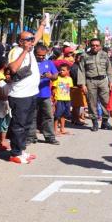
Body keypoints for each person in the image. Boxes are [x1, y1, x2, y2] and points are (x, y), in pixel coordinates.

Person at [7, 22, 45, 164]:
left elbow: (38, 34)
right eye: (28, 39)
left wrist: (42, 24)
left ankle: (22, 150)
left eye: (31, 39)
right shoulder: (15, 51)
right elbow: (14, 68)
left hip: (31, 93)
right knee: (19, 124)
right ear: (20, 41)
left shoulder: (30, 47)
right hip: (19, 96)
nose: (31, 41)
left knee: (27, 123)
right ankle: (15, 153)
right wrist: (24, 51)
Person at [78, 38, 112, 132]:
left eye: (97, 45)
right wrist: (82, 84)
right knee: (91, 102)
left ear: (100, 46)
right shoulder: (85, 56)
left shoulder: (104, 55)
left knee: (106, 102)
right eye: (93, 45)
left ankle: (105, 122)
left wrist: (111, 81)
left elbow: (109, 69)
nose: (95, 47)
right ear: (90, 45)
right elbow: (81, 71)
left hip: (103, 81)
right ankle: (94, 122)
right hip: (90, 81)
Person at [30, 45, 59, 145]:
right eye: (39, 55)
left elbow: (56, 75)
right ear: (35, 53)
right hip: (32, 94)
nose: (41, 57)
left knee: (48, 116)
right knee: (32, 116)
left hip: (45, 95)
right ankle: (31, 137)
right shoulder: (31, 62)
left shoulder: (49, 62)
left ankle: (49, 137)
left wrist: (51, 76)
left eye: (43, 55)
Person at [53, 64, 73, 135]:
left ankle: (62, 128)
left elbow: (69, 89)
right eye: (60, 70)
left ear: (68, 71)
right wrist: (54, 99)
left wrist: (70, 100)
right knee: (57, 114)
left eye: (63, 70)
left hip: (67, 99)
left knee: (64, 114)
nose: (61, 71)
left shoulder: (69, 79)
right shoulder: (57, 78)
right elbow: (54, 89)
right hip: (59, 99)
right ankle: (55, 129)